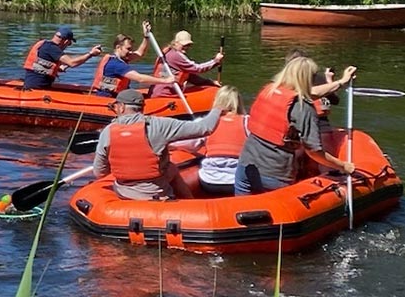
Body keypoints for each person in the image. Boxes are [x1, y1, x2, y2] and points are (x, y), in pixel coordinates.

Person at [236, 56, 357, 195]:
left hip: (245, 168)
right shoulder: (303, 108)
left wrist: (341, 82)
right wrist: (343, 166)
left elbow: (311, 93)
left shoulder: (270, 90)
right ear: (308, 78)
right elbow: (314, 151)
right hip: (275, 174)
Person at [87, 89, 224, 200]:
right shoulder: (160, 124)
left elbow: (99, 172)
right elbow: (205, 128)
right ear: (142, 107)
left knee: (170, 168)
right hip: (156, 193)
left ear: (121, 107)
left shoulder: (107, 132)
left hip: (124, 193)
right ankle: (191, 203)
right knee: (171, 168)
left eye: (114, 107)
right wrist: (218, 107)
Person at [91, 32, 178, 98]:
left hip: (118, 94)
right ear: (118, 47)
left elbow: (140, 53)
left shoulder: (121, 58)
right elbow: (140, 78)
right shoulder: (116, 64)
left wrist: (146, 37)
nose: (130, 52)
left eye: (131, 49)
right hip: (109, 98)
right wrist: (166, 80)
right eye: (128, 49)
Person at [194, 87, 245, 196]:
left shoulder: (205, 123)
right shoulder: (248, 122)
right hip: (238, 182)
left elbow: (187, 143)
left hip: (209, 181)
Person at [19, 26, 102, 91]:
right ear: (66, 41)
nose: (67, 46)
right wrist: (90, 54)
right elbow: (72, 63)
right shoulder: (53, 49)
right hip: (37, 88)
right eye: (69, 44)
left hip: (32, 85)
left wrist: (58, 68)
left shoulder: (45, 45)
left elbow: (43, 64)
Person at [149, 30, 224, 97]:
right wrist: (215, 61)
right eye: (184, 45)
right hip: (164, 94)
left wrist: (209, 82)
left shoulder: (171, 52)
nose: (186, 47)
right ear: (176, 43)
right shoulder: (174, 55)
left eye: (188, 45)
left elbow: (189, 76)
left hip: (162, 92)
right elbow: (197, 68)